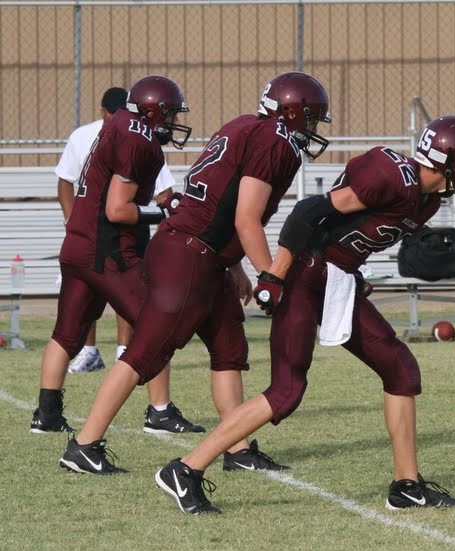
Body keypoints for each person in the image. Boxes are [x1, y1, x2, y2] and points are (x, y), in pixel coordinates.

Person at [153, 114, 455, 514]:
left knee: (401, 371)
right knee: (286, 391)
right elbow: (307, 214)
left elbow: (352, 231)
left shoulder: (427, 199)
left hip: (336, 278)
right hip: (306, 274)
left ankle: (406, 485)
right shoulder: (390, 175)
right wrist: (274, 275)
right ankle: (185, 469)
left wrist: (354, 272)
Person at [62, 71, 330, 476]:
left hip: (203, 252)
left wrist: (235, 265)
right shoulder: (274, 140)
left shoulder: (245, 125)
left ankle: (237, 448)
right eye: (310, 119)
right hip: (188, 253)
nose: (311, 129)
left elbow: (224, 204)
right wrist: (268, 276)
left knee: (229, 350)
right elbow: (246, 217)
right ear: (293, 113)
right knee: (146, 351)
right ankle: (84, 444)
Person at [35, 75, 205, 449]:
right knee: (156, 321)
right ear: (152, 112)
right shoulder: (137, 139)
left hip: (78, 243)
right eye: (171, 114)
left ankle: (46, 413)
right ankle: (160, 411)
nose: (175, 123)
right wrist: (162, 215)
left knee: (67, 332)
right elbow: (118, 209)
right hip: (106, 249)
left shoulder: (116, 128)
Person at [56, 87, 179, 373]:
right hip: (105, 235)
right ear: (104, 114)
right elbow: (70, 183)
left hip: (113, 234)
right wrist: (71, 221)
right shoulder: (130, 139)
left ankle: (123, 349)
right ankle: (157, 406)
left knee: (68, 329)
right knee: (142, 311)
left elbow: (164, 191)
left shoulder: (138, 137)